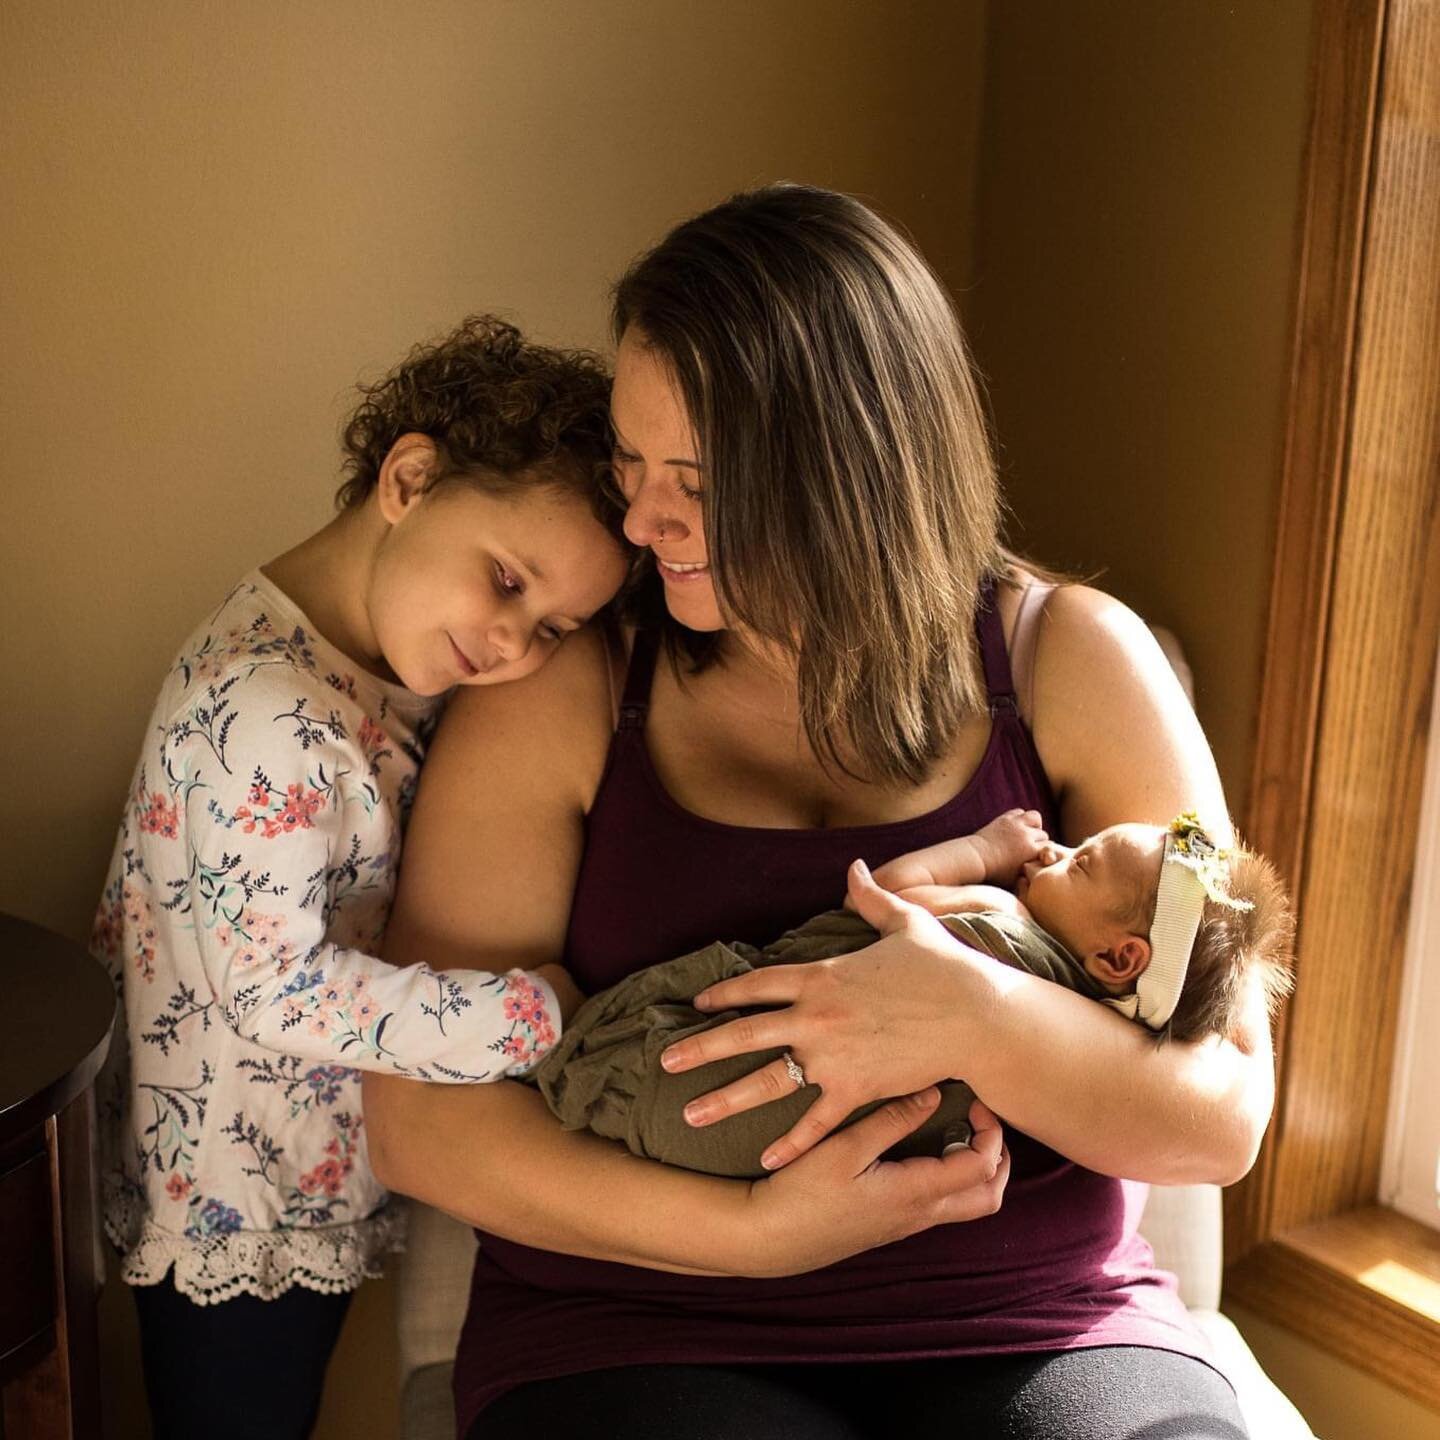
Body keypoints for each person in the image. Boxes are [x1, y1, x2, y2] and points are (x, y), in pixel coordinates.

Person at [363, 186, 1277, 1440]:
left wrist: (978, 1015)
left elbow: (1224, 1111)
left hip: (1033, 1323)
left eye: (693, 479)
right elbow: (421, 1117)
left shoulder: (1076, 658)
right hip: (640, 1329)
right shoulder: (565, 691)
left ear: (856, 470)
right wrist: (746, 1237)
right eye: (631, 464)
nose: (640, 521)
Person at [89, 315, 625, 1440]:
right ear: (410, 477)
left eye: (555, 626)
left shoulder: (365, 658)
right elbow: (277, 990)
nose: (515, 644)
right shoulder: (262, 712)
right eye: (508, 581)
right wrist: (530, 1018)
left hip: (293, 1167)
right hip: (232, 1203)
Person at [531, 810, 1295, 1179]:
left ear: (1119, 957)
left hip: (708, 1080)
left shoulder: (1004, 921)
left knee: (646, 1043)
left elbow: (888, 891)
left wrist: (988, 850)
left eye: (1081, 864)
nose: (1057, 849)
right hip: (762, 1155)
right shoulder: (1085, 1043)